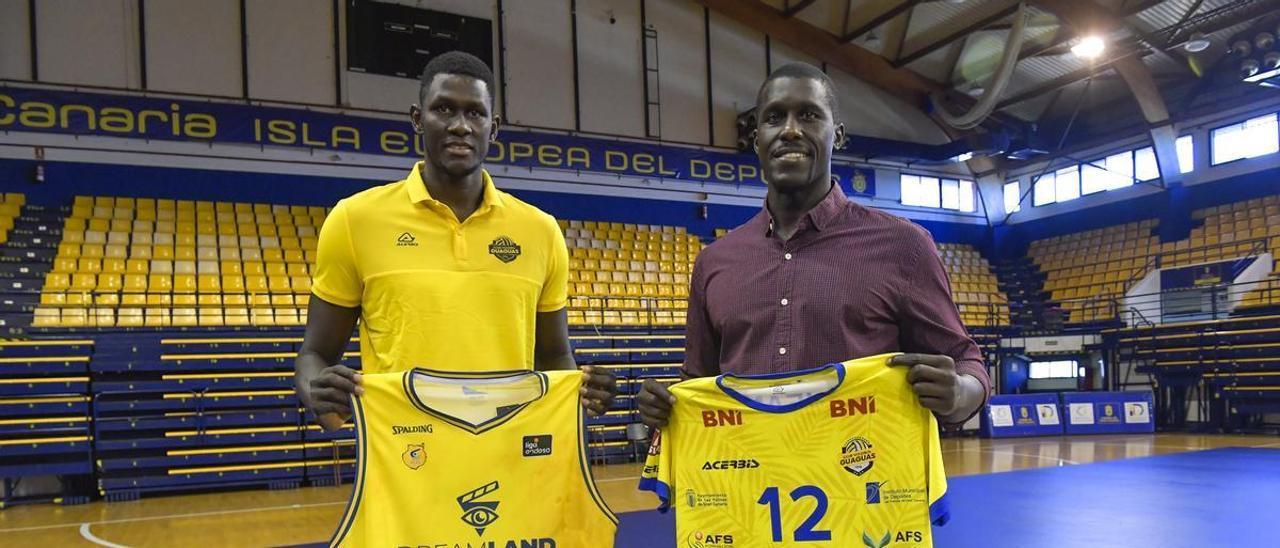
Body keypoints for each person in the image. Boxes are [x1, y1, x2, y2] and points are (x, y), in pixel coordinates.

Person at [638, 62, 989, 429]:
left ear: (836, 135)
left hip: (864, 480)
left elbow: (965, 361)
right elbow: (697, 383)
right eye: (774, 118)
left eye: (808, 116)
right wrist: (664, 409)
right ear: (757, 138)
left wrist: (959, 394)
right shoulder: (714, 262)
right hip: (748, 482)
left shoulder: (904, 246)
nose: (790, 130)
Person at [294, 51, 615, 430]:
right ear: (418, 118)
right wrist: (317, 388)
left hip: (507, 456)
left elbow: (556, 356)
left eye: (474, 113)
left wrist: (582, 390)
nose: (460, 125)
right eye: (444, 109)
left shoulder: (540, 231)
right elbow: (315, 353)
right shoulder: (354, 220)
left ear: (493, 128)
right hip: (404, 458)